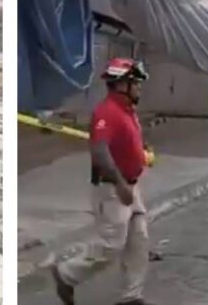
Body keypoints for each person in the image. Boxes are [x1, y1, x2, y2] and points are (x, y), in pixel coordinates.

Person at [52, 57, 153, 305]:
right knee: (110, 247)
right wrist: (119, 185)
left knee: (139, 241)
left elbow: (127, 143)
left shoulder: (127, 111)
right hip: (113, 191)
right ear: (122, 85)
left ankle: (131, 297)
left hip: (131, 186)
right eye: (136, 83)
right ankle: (66, 274)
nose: (139, 88)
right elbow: (99, 152)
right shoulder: (106, 112)